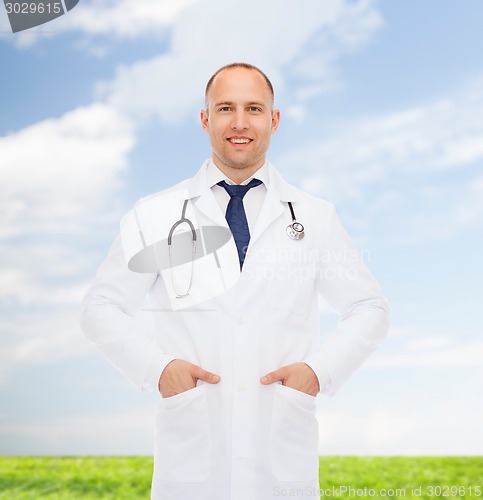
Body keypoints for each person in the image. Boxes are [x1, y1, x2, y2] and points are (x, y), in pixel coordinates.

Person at [80, 62, 390, 500]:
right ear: (205, 119)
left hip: (281, 461)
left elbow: (369, 308)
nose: (240, 123)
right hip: (191, 464)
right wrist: (158, 369)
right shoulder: (155, 215)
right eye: (225, 108)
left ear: (274, 120)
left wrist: (319, 372)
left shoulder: (315, 216)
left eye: (254, 109)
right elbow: (100, 308)